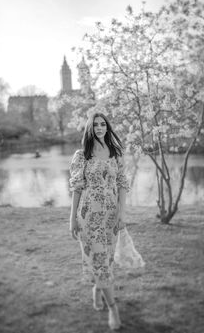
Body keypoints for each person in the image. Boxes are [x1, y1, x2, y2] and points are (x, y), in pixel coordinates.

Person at [69, 112, 130, 330]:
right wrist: (72, 219)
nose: (100, 127)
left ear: (108, 127)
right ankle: (113, 308)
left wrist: (122, 214)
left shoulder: (116, 154)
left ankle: (97, 289)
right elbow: (76, 188)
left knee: (106, 261)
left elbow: (123, 184)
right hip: (88, 217)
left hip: (111, 216)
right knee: (100, 263)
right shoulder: (82, 155)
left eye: (103, 124)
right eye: (95, 125)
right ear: (90, 128)